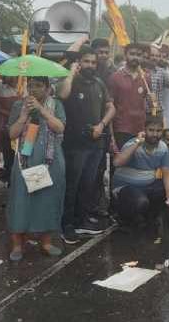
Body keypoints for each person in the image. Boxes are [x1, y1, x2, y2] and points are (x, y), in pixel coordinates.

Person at [58, 46, 116, 243]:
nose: (90, 65)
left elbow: (111, 107)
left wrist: (102, 125)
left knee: (88, 184)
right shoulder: (70, 81)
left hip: (96, 143)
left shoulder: (99, 83)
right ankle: (67, 225)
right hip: (74, 143)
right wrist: (71, 73)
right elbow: (63, 95)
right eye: (86, 61)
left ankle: (82, 221)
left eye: (93, 62)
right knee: (72, 185)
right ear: (79, 63)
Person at [6, 77, 67, 261]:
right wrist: (24, 116)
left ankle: (46, 242)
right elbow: (12, 134)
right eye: (30, 86)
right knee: (20, 199)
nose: (33, 89)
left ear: (48, 88)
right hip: (25, 158)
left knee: (47, 199)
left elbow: (60, 128)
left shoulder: (55, 105)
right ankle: (17, 245)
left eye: (39, 86)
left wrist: (42, 111)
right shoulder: (19, 105)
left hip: (50, 159)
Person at [113, 115, 169, 227]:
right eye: (151, 130)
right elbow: (117, 163)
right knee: (141, 202)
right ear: (144, 130)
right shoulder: (133, 143)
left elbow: (167, 172)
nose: (155, 134)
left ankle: (150, 217)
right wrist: (137, 143)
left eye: (158, 131)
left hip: (148, 185)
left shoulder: (163, 147)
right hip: (126, 187)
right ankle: (123, 217)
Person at [110, 43, 151, 149]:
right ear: (125, 55)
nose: (135, 57)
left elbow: (150, 105)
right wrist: (111, 136)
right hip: (121, 128)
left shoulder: (146, 78)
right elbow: (110, 106)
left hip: (140, 129)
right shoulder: (115, 77)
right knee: (122, 158)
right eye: (132, 54)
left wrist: (152, 103)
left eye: (138, 55)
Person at [147, 45, 169, 115]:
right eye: (152, 55)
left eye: (157, 56)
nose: (154, 58)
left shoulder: (163, 72)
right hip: (143, 111)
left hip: (157, 111)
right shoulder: (141, 71)